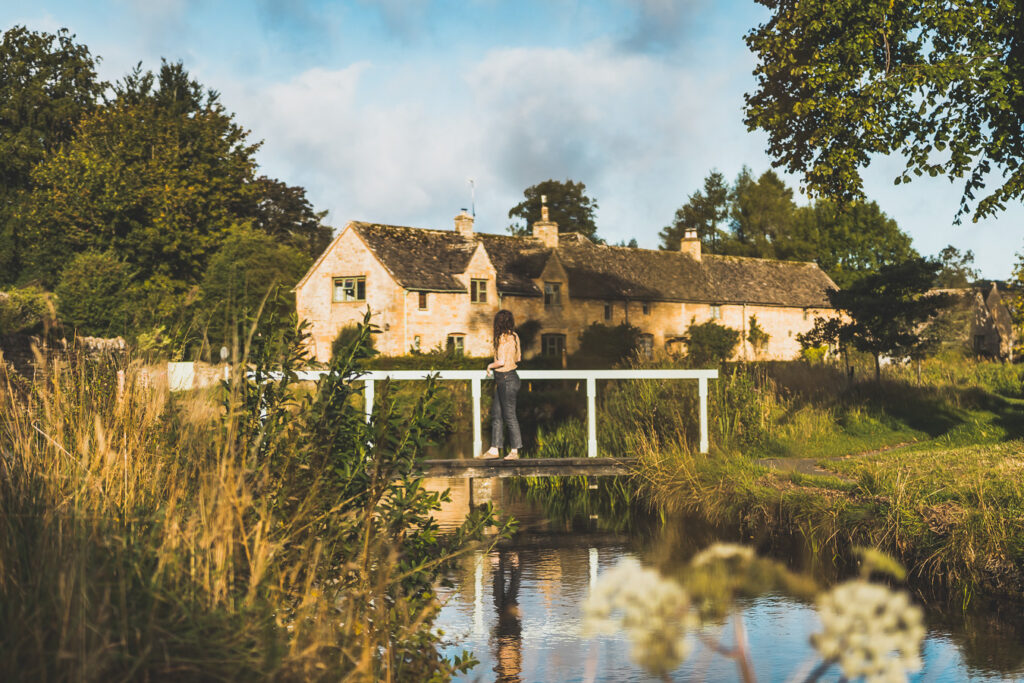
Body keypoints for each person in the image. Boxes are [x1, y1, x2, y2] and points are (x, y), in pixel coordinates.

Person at [478, 309, 522, 460]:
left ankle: (515, 451)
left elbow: (501, 362)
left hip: (506, 378)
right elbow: (518, 358)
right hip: (509, 378)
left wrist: (490, 366)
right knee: (496, 413)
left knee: (509, 415)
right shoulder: (515, 336)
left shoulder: (502, 338)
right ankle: (494, 448)